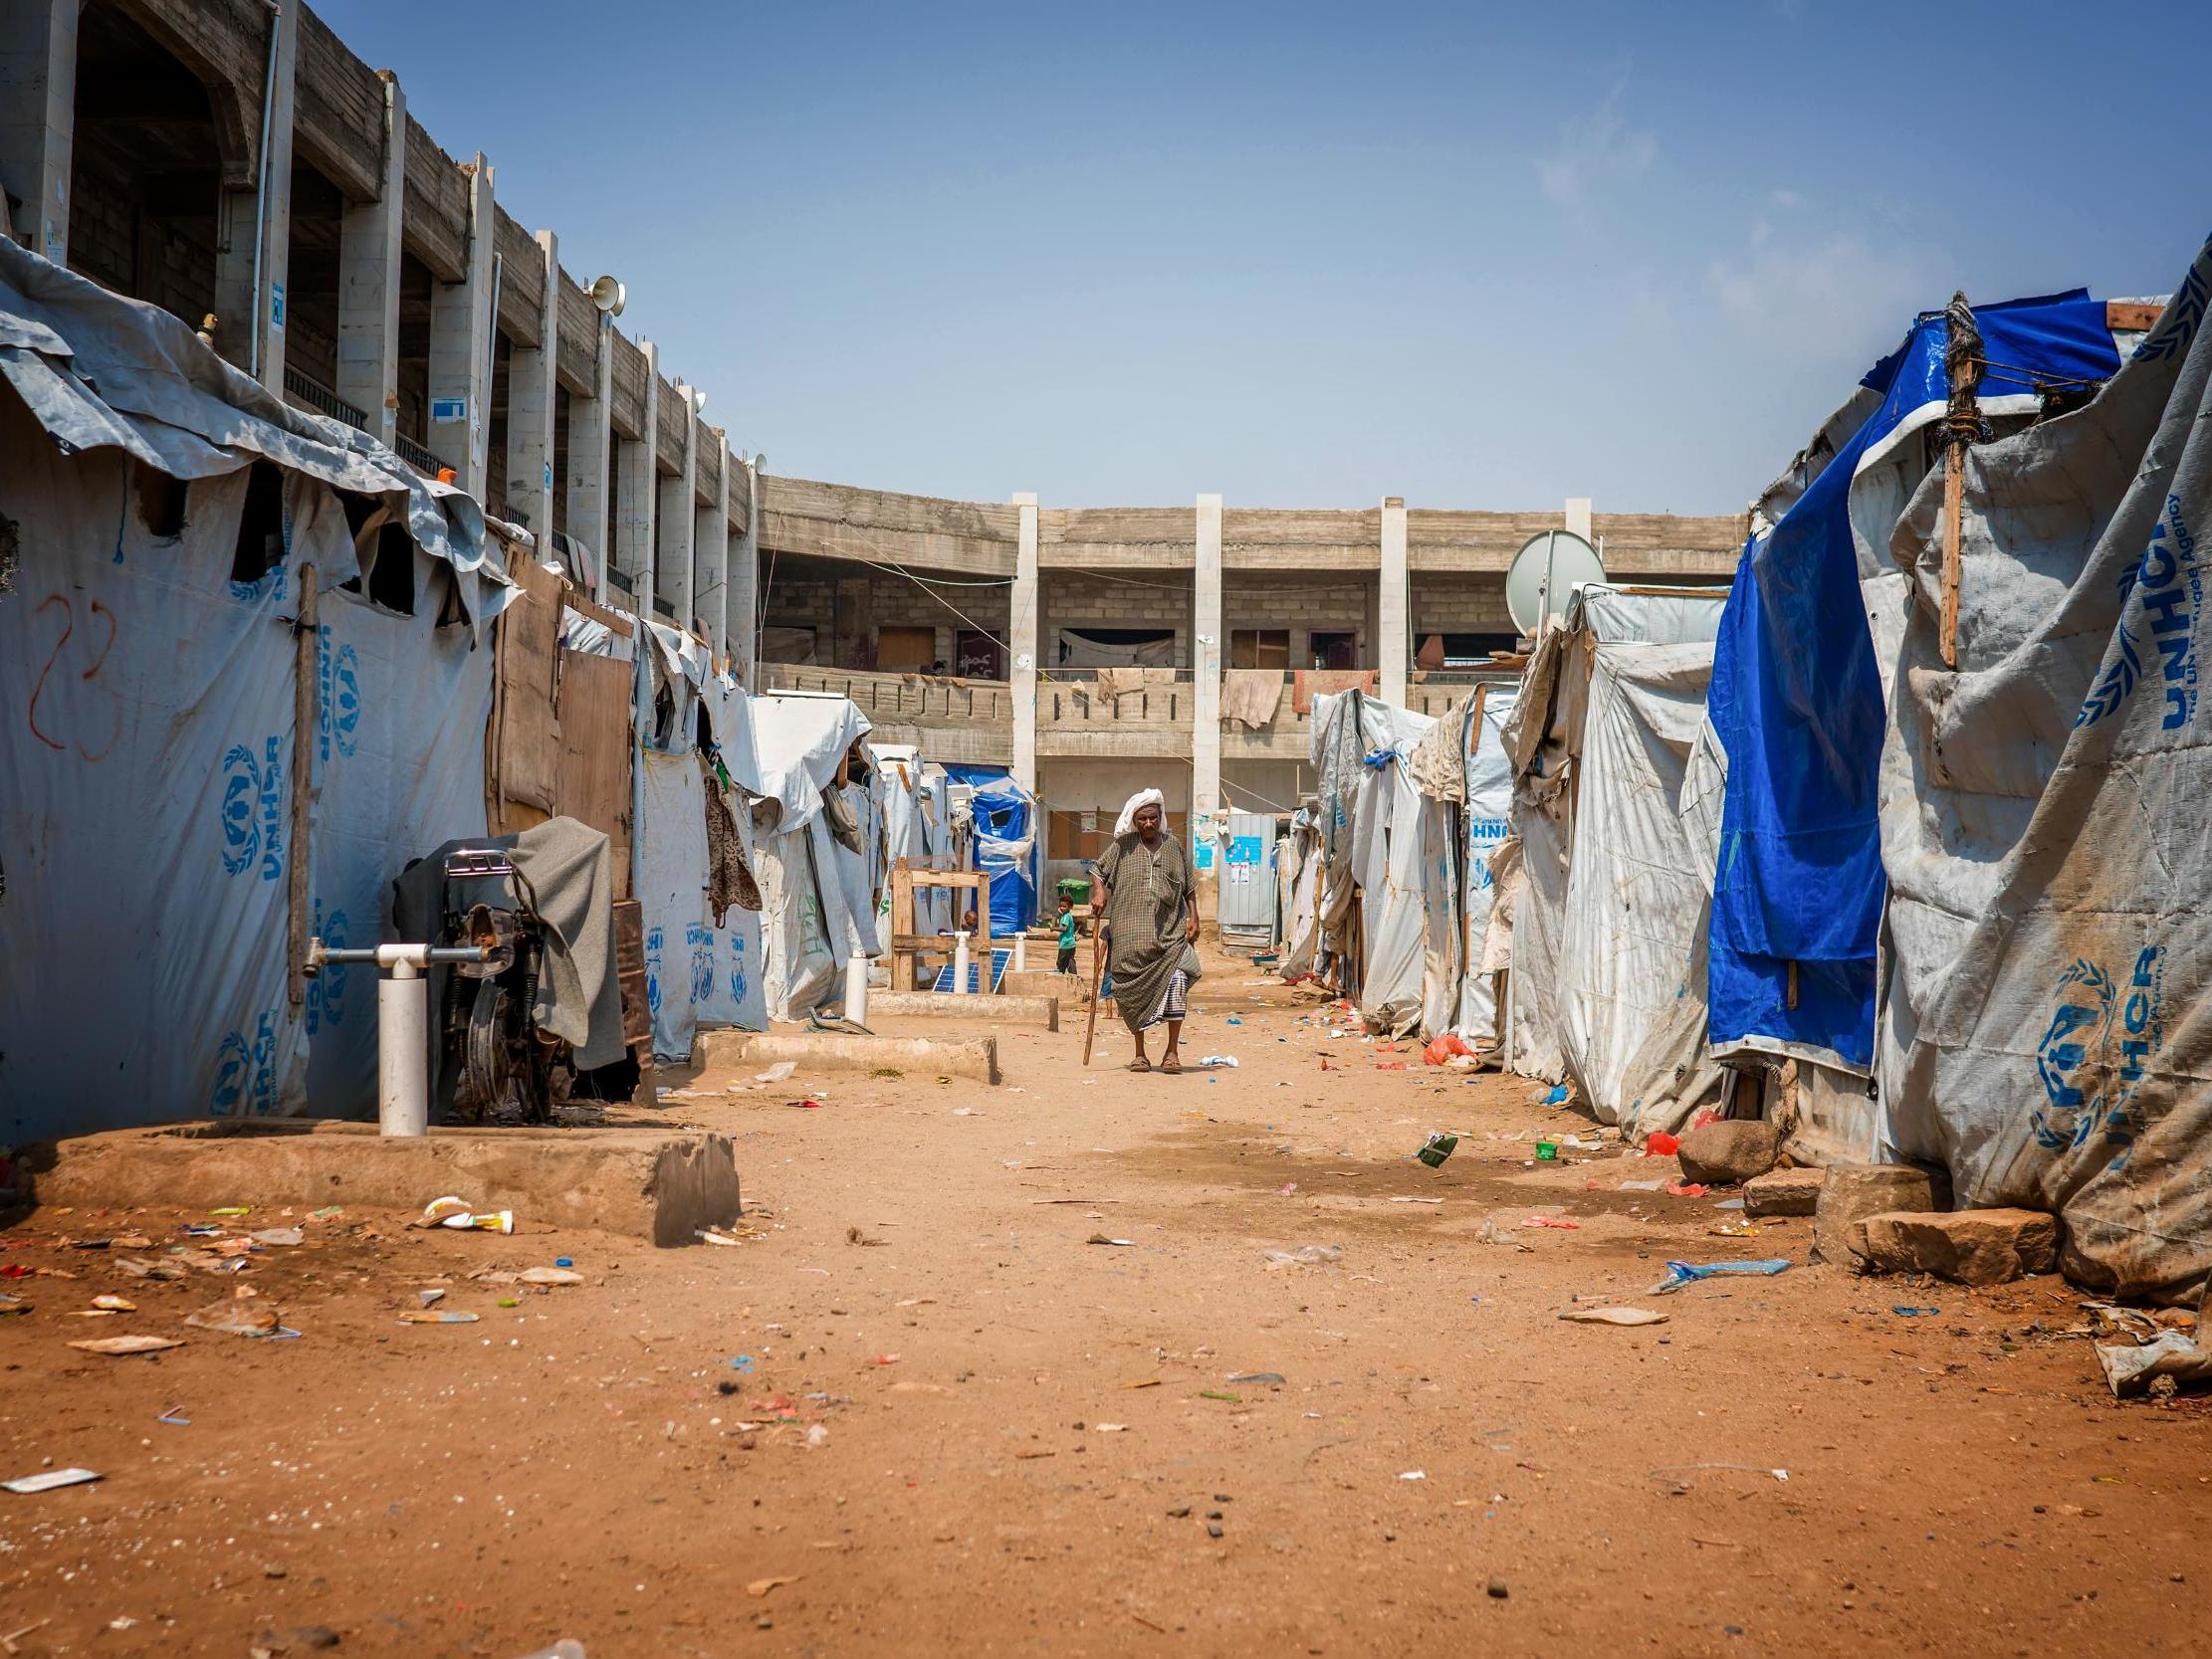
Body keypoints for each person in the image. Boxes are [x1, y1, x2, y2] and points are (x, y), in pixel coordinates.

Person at [1092, 788, 1200, 1074]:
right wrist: (1099, 893)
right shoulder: (1122, 846)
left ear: (1160, 817)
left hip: (1169, 937)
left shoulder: (1174, 846)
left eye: (1153, 818)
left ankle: (1172, 1051)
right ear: (1134, 820)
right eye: (1142, 819)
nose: (1148, 823)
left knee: (1178, 982)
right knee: (1129, 993)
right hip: (1129, 940)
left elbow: (1189, 886)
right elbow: (1097, 871)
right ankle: (1139, 1053)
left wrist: (1195, 917)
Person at [1056, 893, 1080, 975]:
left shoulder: (1066, 916)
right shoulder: (1068, 915)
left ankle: (1059, 978)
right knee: (1070, 962)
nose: (1062, 908)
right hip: (1071, 944)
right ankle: (1074, 977)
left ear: (1070, 907)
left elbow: (1064, 929)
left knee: (1061, 963)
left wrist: (1053, 928)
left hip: (1065, 944)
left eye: (1064, 906)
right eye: (1061, 906)